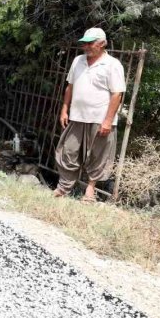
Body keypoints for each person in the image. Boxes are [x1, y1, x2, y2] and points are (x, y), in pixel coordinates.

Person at [54, 28, 125, 202]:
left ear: (102, 44)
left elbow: (117, 94)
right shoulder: (78, 61)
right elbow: (70, 86)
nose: (86, 46)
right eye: (84, 43)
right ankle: (64, 188)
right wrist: (64, 108)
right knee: (68, 151)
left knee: (98, 155)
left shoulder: (112, 64)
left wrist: (108, 121)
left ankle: (90, 191)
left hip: (101, 119)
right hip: (77, 116)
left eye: (90, 43)